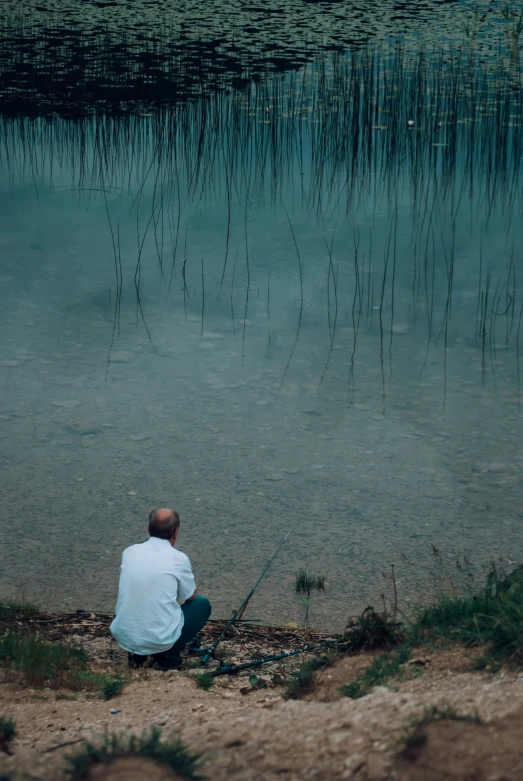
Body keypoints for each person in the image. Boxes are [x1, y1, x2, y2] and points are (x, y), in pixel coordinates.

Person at [110, 508, 211, 670]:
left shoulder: (129, 552)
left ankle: (138, 655)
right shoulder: (179, 559)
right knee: (201, 603)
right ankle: (168, 655)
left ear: (149, 529)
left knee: (135, 598)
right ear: (175, 532)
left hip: (125, 637)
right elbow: (189, 596)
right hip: (160, 640)